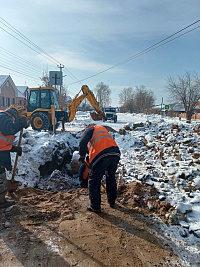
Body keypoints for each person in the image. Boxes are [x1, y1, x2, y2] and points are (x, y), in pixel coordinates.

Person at [79, 124, 120, 213]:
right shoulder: (103, 130)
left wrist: (82, 155)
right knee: (110, 177)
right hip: (115, 153)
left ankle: (95, 206)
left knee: (94, 180)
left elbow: (83, 141)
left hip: (101, 155)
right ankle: (112, 201)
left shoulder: (90, 129)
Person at [0, 107, 28, 208]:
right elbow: (9, 129)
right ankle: (1, 201)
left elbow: (3, 142)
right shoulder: (3, 117)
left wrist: (15, 149)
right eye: (14, 120)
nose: (13, 122)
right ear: (12, 116)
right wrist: (21, 124)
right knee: (1, 179)